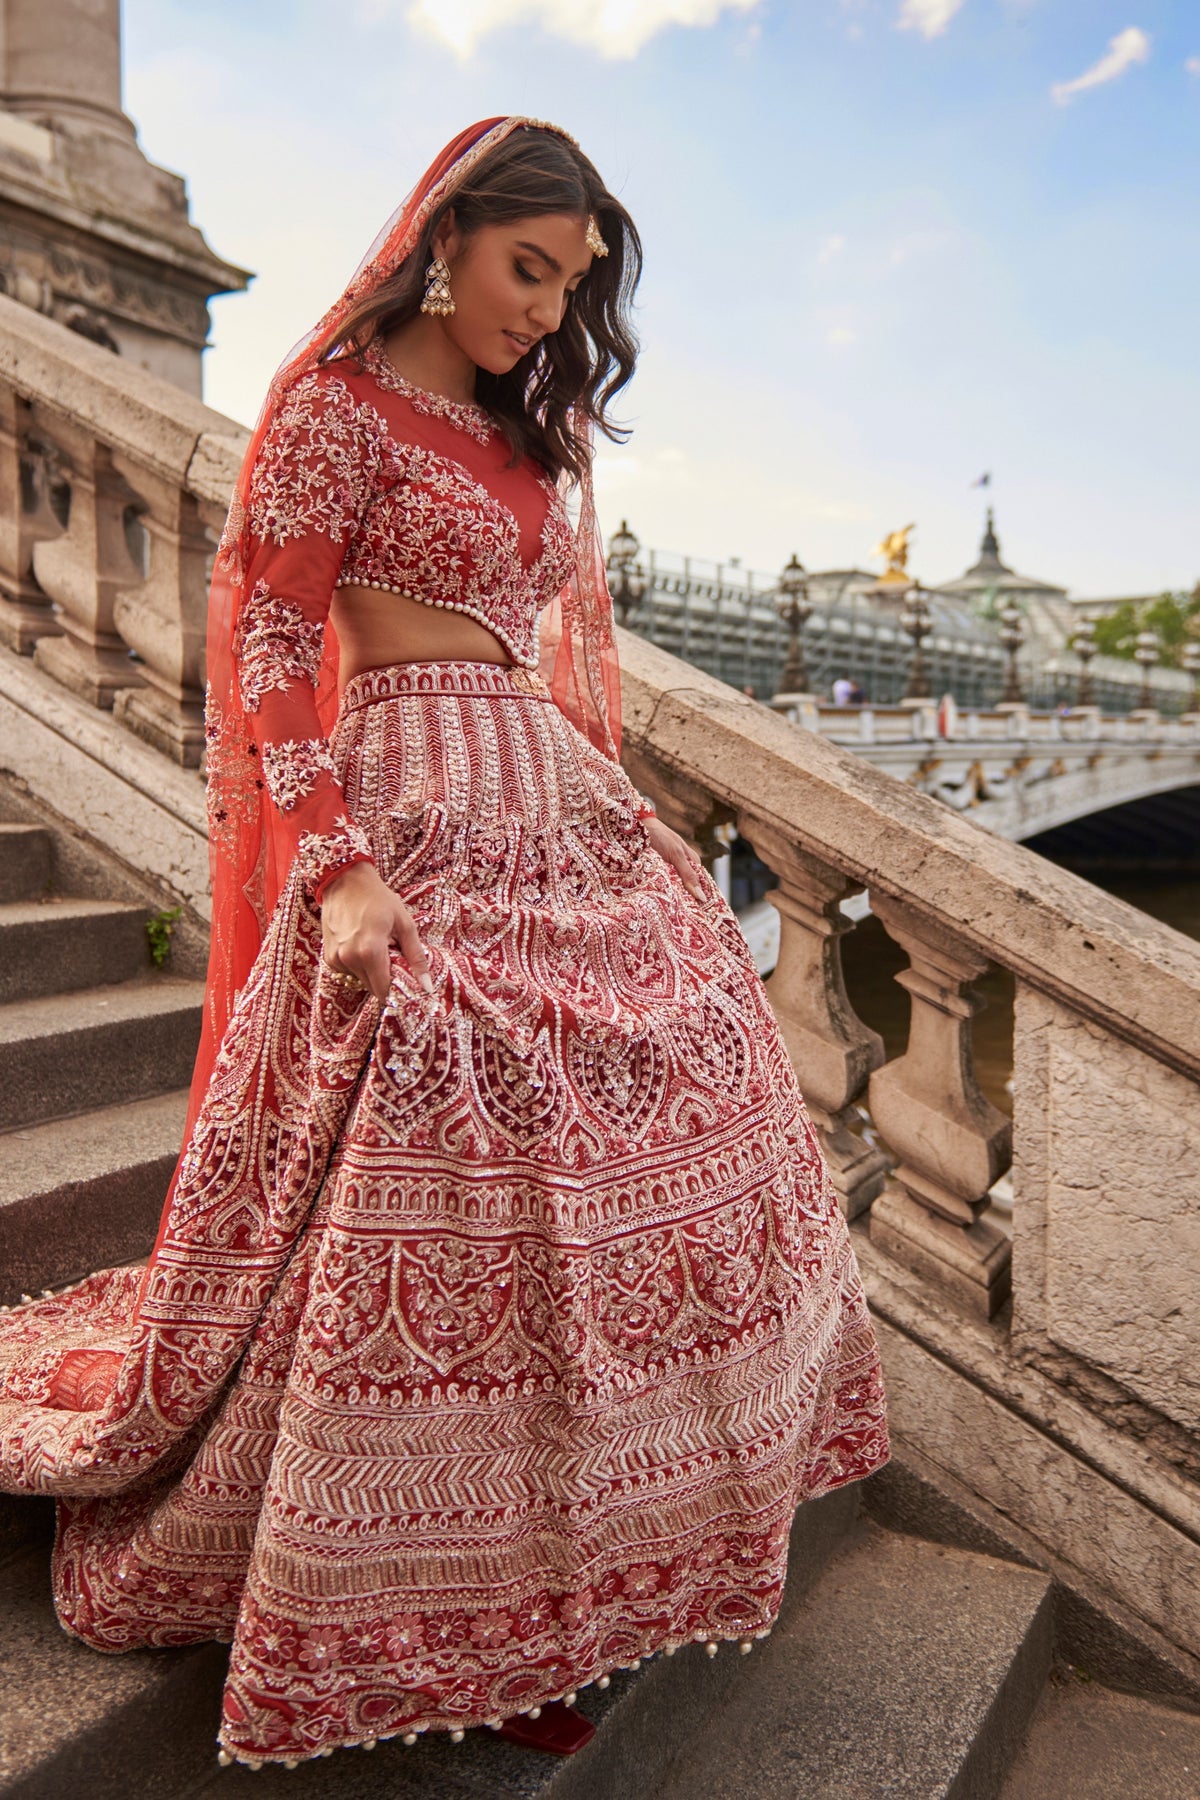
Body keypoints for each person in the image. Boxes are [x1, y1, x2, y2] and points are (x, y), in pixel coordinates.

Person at [0, 116, 888, 1771]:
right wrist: (333, 867)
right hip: (402, 796)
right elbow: (270, 637)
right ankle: (426, 1590)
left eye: (571, 289)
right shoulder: (335, 410)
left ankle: (604, 1559)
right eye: (527, 270)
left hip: (551, 797)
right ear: (446, 240)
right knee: (471, 1162)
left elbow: (559, 666)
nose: (546, 314)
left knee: (703, 1116)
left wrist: (625, 842)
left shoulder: (533, 440)